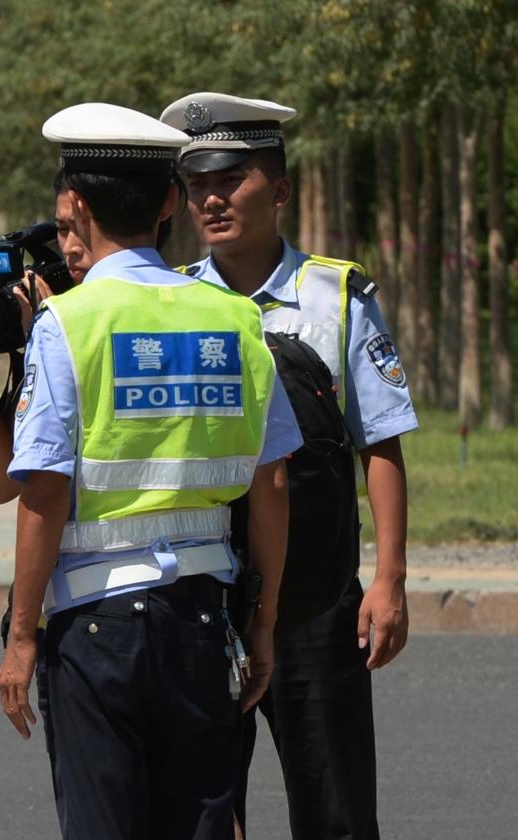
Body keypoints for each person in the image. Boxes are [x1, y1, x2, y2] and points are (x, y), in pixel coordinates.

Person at [0, 102, 300, 840]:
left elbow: (43, 491)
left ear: (74, 206)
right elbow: (275, 483)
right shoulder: (234, 317)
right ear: (170, 202)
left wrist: (22, 636)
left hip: (96, 629)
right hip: (203, 622)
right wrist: (263, 626)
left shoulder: (68, 322)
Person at [161, 92, 418, 840]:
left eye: (231, 180)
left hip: (314, 601)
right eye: (197, 184)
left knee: (336, 813)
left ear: (278, 189)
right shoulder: (172, 301)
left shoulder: (335, 296)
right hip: (203, 597)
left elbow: (381, 439)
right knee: (205, 812)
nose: (210, 199)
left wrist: (391, 580)